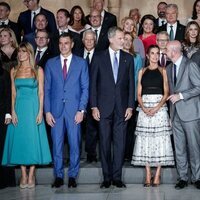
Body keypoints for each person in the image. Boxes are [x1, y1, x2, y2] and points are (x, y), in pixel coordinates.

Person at [2, 42, 52, 189]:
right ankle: (23, 174)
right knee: (21, 141)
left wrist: (40, 112)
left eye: (24, 52)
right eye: (19, 52)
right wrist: (13, 112)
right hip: (19, 108)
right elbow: (13, 93)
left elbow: (41, 93)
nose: (20, 54)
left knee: (32, 140)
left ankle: (32, 175)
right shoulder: (14, 70)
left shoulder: (38, 70)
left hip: (33, 108)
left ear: (29, 53)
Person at [90, 27, 134, 188]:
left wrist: (130, 106)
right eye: (121, 38)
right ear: (111, 39)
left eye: (124, 38)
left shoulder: (128, 58)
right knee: (104, 143)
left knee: (120, 143)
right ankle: (106, 177)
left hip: (122, 108)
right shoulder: (98, 57)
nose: (124, 41)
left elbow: (131, 85)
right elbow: (93, 84)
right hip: (103, 108)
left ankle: (117, 177)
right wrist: (94, 106)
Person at [44, 32, 89, 188]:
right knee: (56, 144)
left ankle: (72, 176)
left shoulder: (81, 63)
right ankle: (58, 176)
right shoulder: (50, 63)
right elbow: (47, 89)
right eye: (61, 43)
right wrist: (47, 111)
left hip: (74, 111)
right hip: (55, 111)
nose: (63, 46)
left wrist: (81, 110)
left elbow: (85, 88)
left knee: (75, 144)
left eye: (66, 43)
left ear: (72, 44)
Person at [132, 45, 174, 187]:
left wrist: (156, 107)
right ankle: (148, 173)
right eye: (152, 53)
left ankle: (157, 174)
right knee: (146, 140)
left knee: (160, 140)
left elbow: (166, 92)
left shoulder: (163, 71)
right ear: (148, 56)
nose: (155, 56)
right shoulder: (141, 71)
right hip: (144, 108)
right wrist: (144, 108)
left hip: (159, 108)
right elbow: (138, 94)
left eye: (157, 53)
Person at [166, 40, 200, 190]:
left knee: (194, 147)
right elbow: (170, 94)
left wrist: (181, 96)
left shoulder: (190, 65)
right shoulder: (168, 68)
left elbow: (199, 87)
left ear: (173, 51)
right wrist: (170, 116)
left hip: (191, 114)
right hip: (176, 115)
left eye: (166, 50)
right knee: (179, 148)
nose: (164, 52)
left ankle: (197, 177)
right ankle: (183, 178)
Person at [123, 32, 143, 161]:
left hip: (132, 97)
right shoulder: (115, 56)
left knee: (130, 127)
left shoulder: (137, 58)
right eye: (125, 39)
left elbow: (138, 79)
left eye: (130, 40)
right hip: (117, 97)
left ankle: (128, 154)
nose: (128, 42)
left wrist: (135, 97)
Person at [81, 30, 99, 162]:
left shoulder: (100, 56)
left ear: (95, 41)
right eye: (86, 39)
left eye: (91, 40)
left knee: (92, 126)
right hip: (78, 95)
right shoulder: (76, 55)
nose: (88, 42)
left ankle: (91, 153)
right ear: (82, 41)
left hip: (95, 95)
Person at [0, 56, 16, 189]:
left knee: (2, 147)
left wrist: (8, 113)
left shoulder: (3, 73)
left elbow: (8, 94)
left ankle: (5, 180)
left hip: (2, 115)